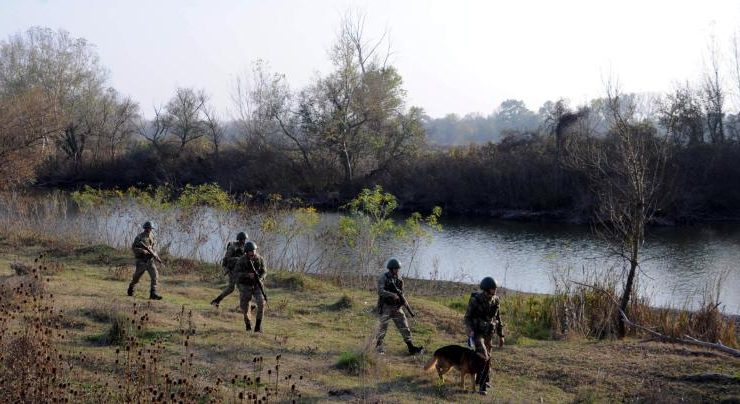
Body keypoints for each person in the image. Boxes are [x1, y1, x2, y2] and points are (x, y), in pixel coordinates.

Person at [464, 276, 505, 395]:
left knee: (488, 358)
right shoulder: (476, 300)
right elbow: (467, 317)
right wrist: (469, 329)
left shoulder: (496, 300)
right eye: (493, 288)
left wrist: (501, 335)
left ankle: (484, 380)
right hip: (477, 332)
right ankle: (482, 387)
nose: (495, 290)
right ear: (487, 289)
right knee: (483, 355)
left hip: (489, 333)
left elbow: (498, 318)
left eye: (495, 288)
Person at [374, 258, 424, 355]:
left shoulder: (399, 280)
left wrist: (405, 303)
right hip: (386, 307)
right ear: (391, 268)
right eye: (396, 269)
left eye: (398, 269)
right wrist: (392, 294)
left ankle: (411, 347)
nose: (398, 270)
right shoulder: (383, 278)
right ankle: (378, 347)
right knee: (382, 328)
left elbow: (402, 293)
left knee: (404, 326)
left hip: (397, 307)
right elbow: (380, 291)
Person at [233, 241, 266, 332]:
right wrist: (247, 275)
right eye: (251, 253)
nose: (253, 255)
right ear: (246, 252)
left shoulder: (260, 259)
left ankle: (258, 326)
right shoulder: (241, 260)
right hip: (245, 285)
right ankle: (248, 324)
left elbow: (264, 271)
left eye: (254, 252)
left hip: (257, 284)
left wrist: (260, 277)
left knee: (262, 303)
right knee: (245, 307)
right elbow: (236, 274)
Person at [210, 232, 248, 307]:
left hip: (240, 270)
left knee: (231, 288)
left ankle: (216, 301)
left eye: (245, 239)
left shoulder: (244, 247)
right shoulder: (233, 247)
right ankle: (245, 306)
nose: (244, 241)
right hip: (232, 270)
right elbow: (227, 258)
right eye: (243, 239)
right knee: (241, 287)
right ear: (239, 239)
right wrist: (238, 259)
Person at [128, 221, 162, 300]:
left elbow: (154, 248)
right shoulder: (139, 237)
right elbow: (133, 248)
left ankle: (153, 293)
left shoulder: (152, 236)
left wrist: (156, 255)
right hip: (141, 261)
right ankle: (131, 287)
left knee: (155, 276)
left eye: (150, 228)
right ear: (145, 228)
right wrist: (142, 251)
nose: (149, 230)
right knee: (136, 278)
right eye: (147, 228)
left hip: (150, 261)